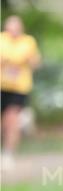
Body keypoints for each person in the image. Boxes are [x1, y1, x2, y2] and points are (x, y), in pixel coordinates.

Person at [0, 15, 41, 168]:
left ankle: (8, 154)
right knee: (4, 123)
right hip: (1, 86)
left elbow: (36, 63)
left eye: (16, 28)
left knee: (11, 120)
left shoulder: (28, 42)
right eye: (10, 28)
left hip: (19, 88)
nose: (13, 31)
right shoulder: (1, 40)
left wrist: (29, 60)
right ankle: (26, 120)